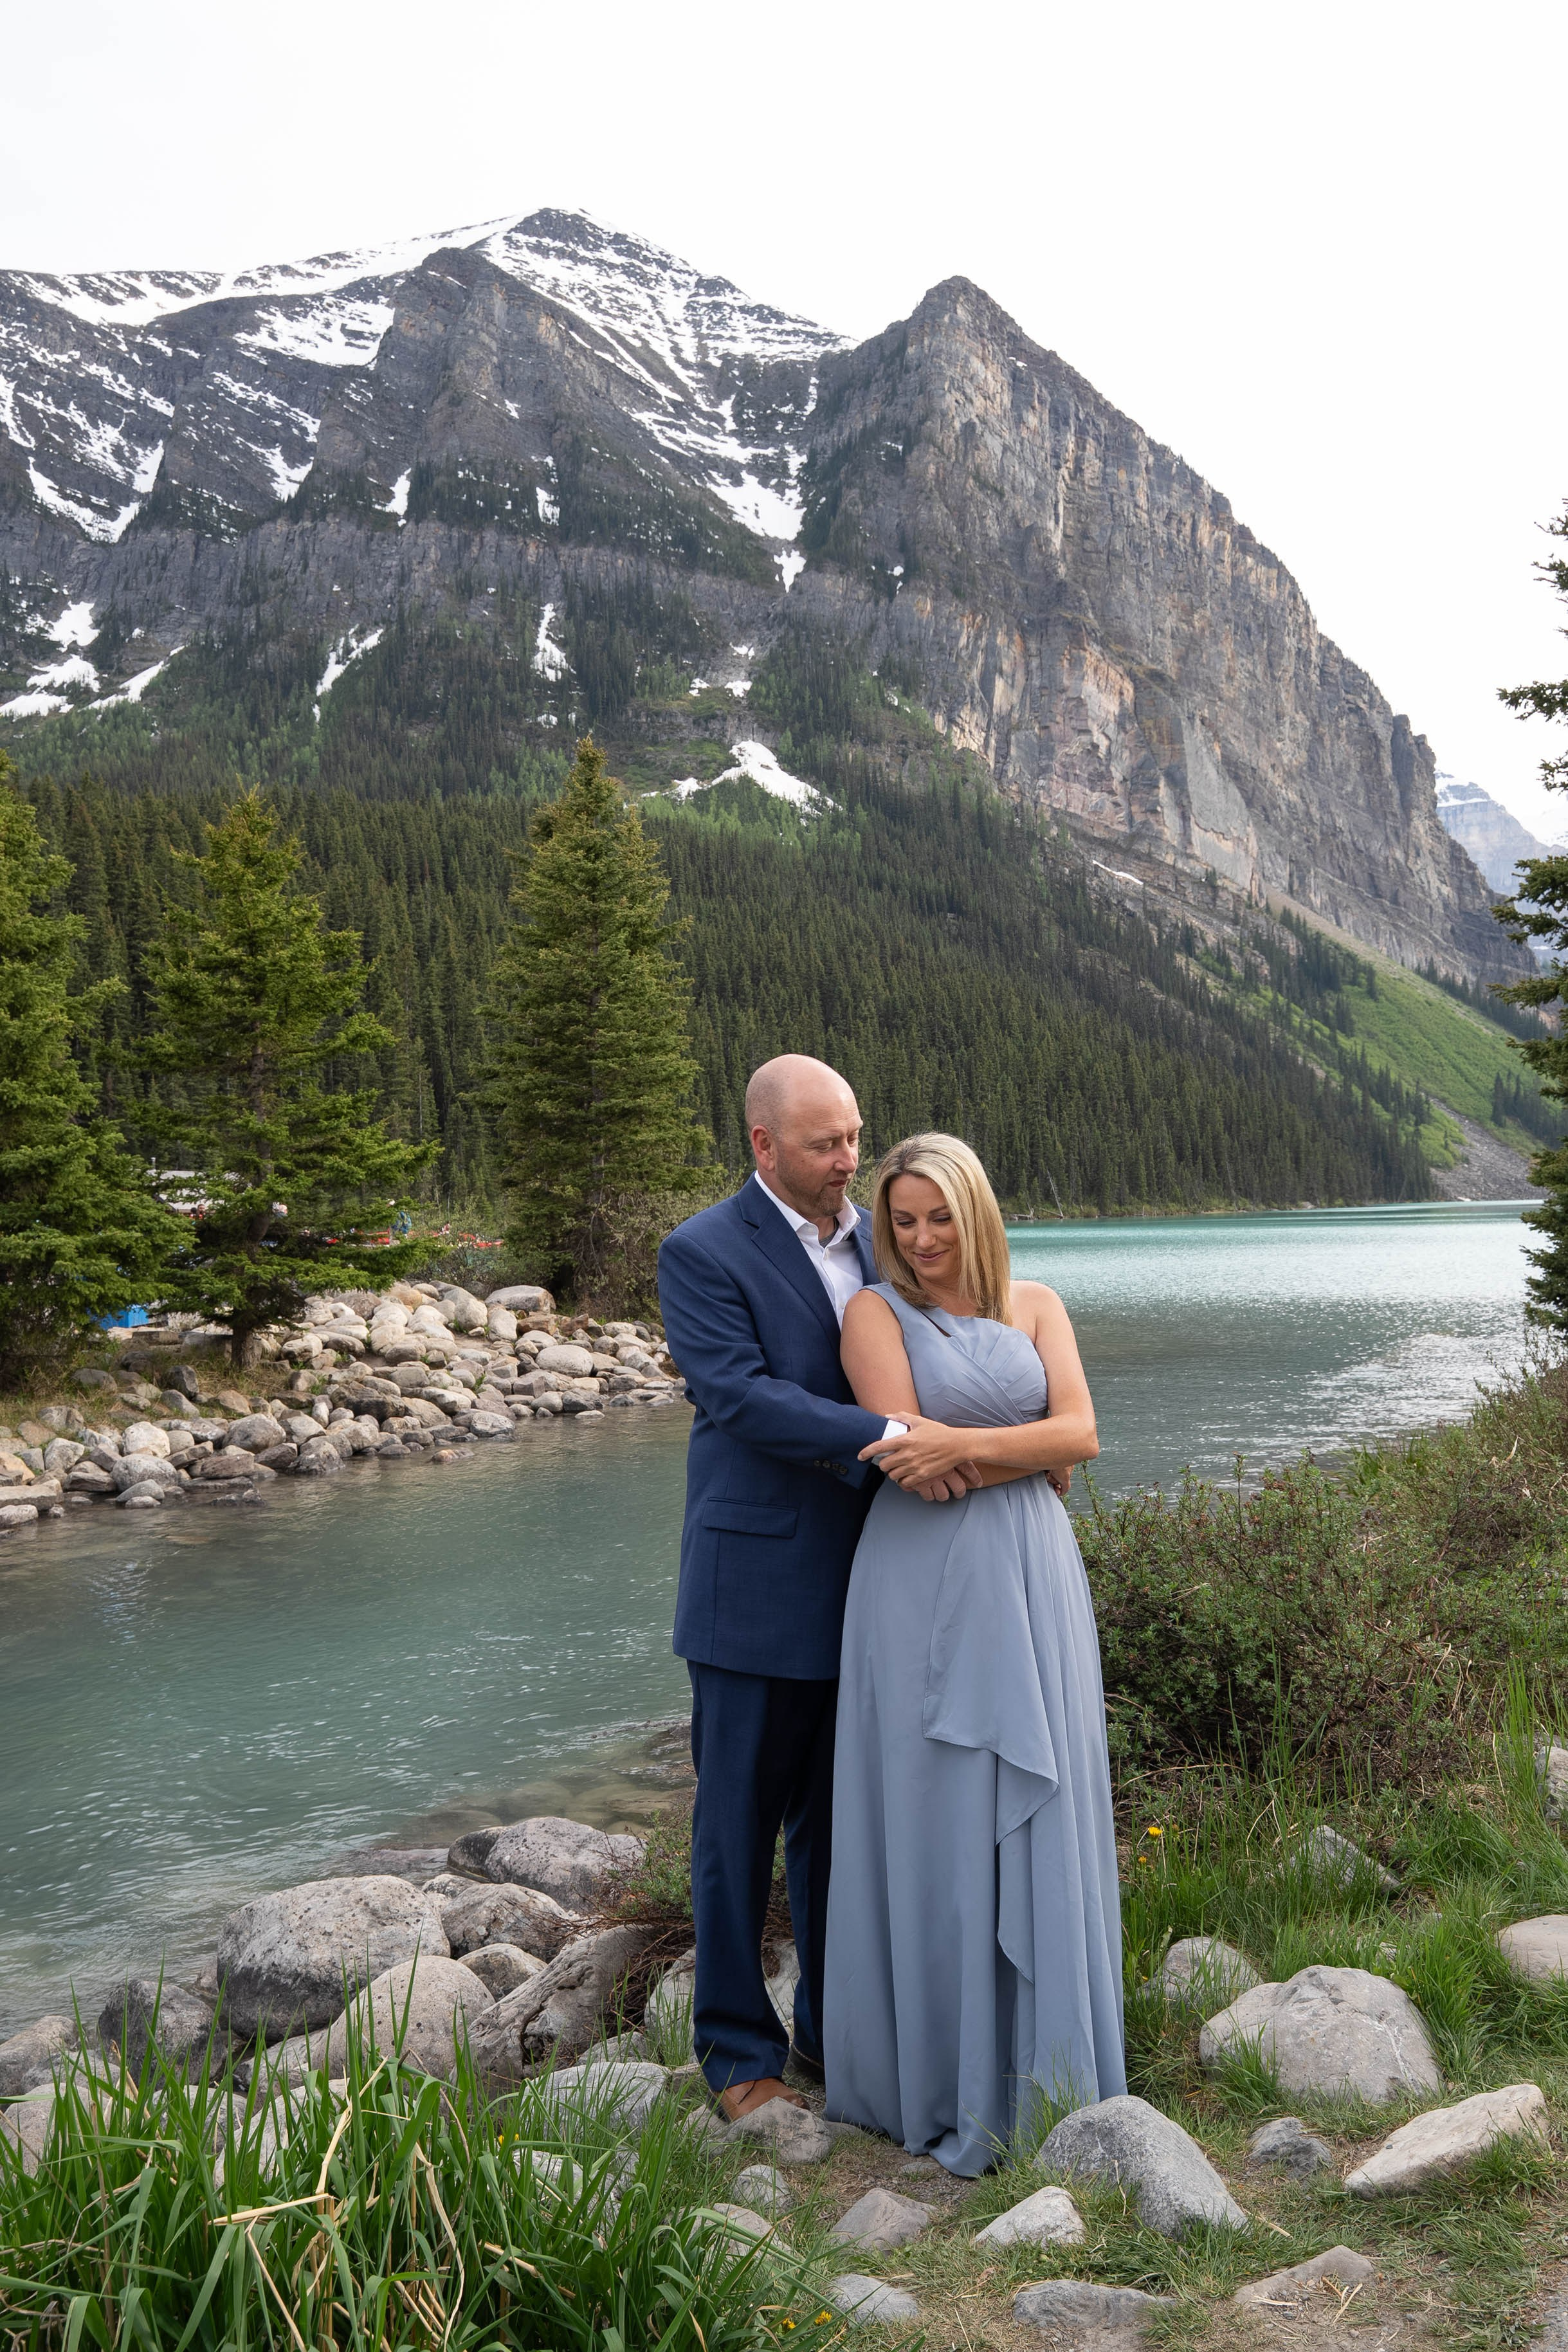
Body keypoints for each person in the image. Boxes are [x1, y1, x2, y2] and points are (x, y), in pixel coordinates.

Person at [657, 1059, 978, 2119]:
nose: (848, 1161)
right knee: (737, 1834)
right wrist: (898, 1437)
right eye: (823, 1145)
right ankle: (738, 2058)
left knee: (846, 1833)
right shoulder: (702, 1251)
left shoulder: (879, 1243)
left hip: (878, 1584)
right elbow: (743, 1399)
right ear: (761, 1146)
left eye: (852, 1137)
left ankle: (841, 2040)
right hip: (752, 1591)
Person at [825, 1131, 1125, 2173]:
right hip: (917, 1582)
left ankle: (1046, 2072)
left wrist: (976, 1445)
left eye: (937, 1217)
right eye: (900, 1221)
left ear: (976, 1212)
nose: (918, 1240)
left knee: (1041, 1795)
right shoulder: (872, 1311)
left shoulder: (1037, 1302)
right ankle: (942, 2073)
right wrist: (1013, 1451)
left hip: (1036, 1579)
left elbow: (1082, 1432)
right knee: (935, 1806)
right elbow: (910, 1459)